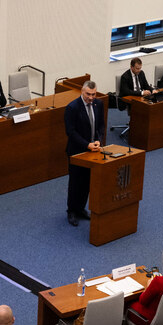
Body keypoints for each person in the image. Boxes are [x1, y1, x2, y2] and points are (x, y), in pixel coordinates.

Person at [64, 81, 104, 227]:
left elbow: (101, 125)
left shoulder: (98, 104)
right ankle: (71, 211)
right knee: (75, 182)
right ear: (82, 91)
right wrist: (86, 144)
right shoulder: (72, 107)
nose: (91, 97)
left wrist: (99, 140)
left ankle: (81, 208)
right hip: (76, 151)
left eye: (93, 94)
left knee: (87, 181)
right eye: (88, 94)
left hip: (93, 150)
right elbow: (70, 131)